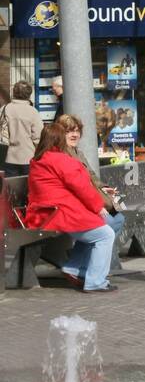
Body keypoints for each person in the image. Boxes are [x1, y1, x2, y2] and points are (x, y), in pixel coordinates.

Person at [25, 122, 118, 292]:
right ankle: (95, 282)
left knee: (98, 230)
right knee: (105, 234)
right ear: (59, 140)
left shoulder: (39, 158)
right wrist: (98, 207)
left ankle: (75, 268)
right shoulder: (60, 160)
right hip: (60, 213)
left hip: (45, 212)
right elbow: (82, 188)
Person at [55, 113, 126, 281]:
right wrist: (96, 203)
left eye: (77, 131)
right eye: (69, 131)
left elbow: (92, 176)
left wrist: (105, 189)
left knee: (118, 218)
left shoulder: (76, 151)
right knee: (105, 225)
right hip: (72, 206)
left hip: (86, 201)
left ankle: (75, 266)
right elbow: (74, 186)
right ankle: (90, 273)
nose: (74, 135)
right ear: (60, 133)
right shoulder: (61, 154)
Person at [1, 81, 44, 177]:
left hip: (8, 157)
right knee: (28, 189)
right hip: (28, 156)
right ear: (29, 94)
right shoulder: (33, 112)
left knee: (11, 189)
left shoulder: (5, 109)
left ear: (14, 92)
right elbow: (38, 137)